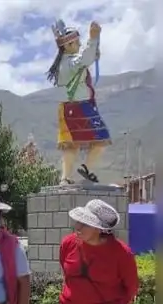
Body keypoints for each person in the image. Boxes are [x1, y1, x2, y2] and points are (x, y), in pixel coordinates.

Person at [47, 19, 109, 184]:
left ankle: (66, 177)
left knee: (71, 145)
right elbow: (85, 59)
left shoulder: (66, 62)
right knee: (100, 139)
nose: (79, 44)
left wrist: (92, 50)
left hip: (70, 108)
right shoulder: (71, 62)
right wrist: (94, 38)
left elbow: (86, 58)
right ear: (67, 46)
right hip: (81, 107)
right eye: (76, 42)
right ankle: (85, 169)